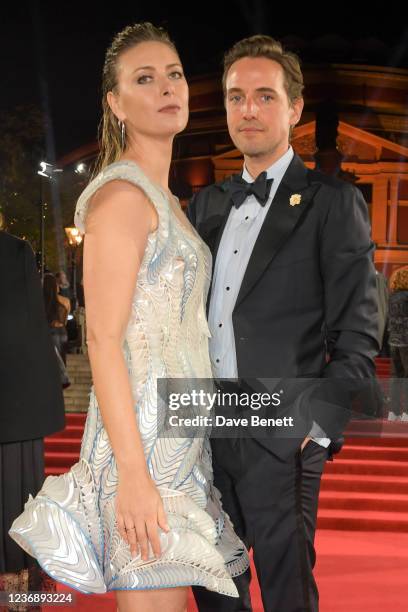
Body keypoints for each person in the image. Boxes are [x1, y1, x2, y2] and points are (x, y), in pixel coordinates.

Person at [9, 22, 248, 612]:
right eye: (145, 79)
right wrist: (135, 476)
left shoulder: (164, 197)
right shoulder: (123, 196)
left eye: (173, 74)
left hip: (178, 436)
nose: (167, 88)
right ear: (115, 104)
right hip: (144, 445)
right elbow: (103, 337)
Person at [188, 35, 379, 612]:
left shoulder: (332, 202)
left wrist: (315, 427)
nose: (248, 109)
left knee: (288, 589)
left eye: (264, 96)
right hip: (204, 425)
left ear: (294, 109)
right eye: (236, 96)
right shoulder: (206, 205)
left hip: (281, 428)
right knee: (216, 588)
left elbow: (358, 331)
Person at [0, 231, 65, 602]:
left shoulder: (15, 252)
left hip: (14, 412)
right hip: (14, 411)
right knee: (14, 532)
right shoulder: (14, 252)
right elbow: (28, 333)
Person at [387, 266, 408, 421]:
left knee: (396, 377)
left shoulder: (392, 297)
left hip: (394, 341)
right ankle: (407, 413)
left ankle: (393, 412)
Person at [43, 272, 70, 365]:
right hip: (62, 332)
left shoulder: (41, 303)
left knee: (49, 363)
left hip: (48, 333)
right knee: (62, 362)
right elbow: (65, 321)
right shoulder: (66, 301)